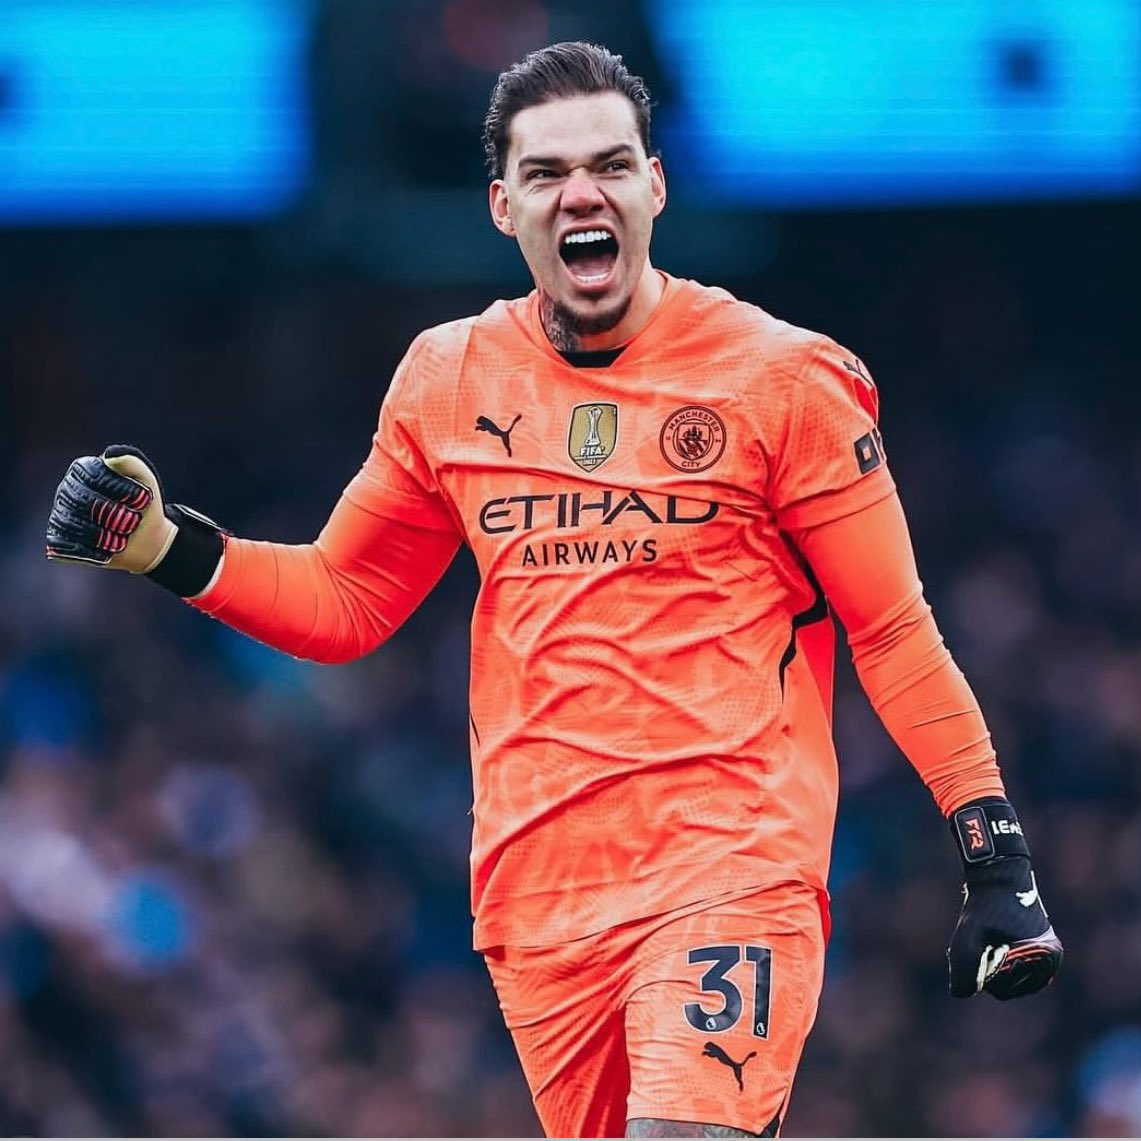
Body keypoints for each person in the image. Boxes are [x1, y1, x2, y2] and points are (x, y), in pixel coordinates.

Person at [45, 41, 1062, 1140]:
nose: (583, 193)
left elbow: (892, 627)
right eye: (546, 173)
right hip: (540, 900)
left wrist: (994, 856)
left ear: (654, 186)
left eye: (611, 165)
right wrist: (166, 548)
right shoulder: (447, 378)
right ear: (502, 205)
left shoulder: (784, 378)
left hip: (728, 862)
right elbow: (345, 601)